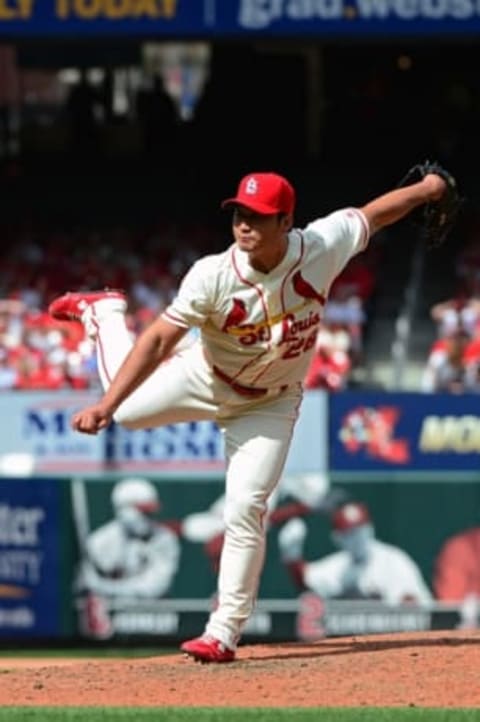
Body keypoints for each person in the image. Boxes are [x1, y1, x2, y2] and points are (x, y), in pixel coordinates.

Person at [48, 167, 450, 662]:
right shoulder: (212, 274)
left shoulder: (321, 244)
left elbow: (375, 214)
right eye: (239, 213)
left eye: (258, 216)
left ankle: (223, 632)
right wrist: (105, 407)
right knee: (126, 410)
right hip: (205, 376)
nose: (244, 224)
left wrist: (429, 190)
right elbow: (156, 340)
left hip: (270, 402)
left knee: (246, 508)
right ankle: (106, 312)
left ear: (286, 221)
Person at [278, 500, 432, 604]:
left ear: (370, 528)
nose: (358, 538)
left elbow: (411, 607)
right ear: (338, 538)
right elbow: (306, 582)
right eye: (350, 533)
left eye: (361, 530)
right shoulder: (342, 565)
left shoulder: (393, 560)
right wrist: (292, 556)